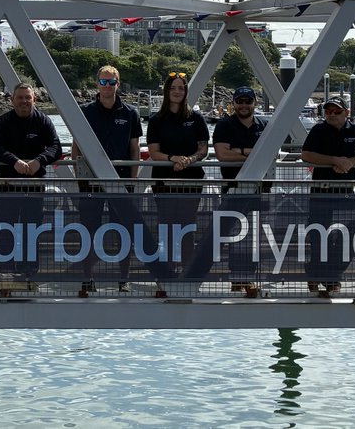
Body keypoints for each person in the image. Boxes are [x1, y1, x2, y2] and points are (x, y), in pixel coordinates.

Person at [72, 66, 141, 292]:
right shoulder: (84, 111)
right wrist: (79, 178)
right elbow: (76, 147)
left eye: (112, 83)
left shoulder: (131, 113)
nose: (107, 86)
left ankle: (124, 279)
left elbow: (135, 150)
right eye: (103, 82)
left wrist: (132, 182)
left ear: (118, 84)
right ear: (97, 84)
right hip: (91, 182)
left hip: (121, 182)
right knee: (88, 230)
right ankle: (87, 278)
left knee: (123, 231)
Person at [300, 96, 355, 293]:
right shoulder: (318, 129)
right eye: (328, 112)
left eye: (336, 111)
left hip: (346, 193)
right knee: (319, 236)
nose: (332, 115)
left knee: (351, 235)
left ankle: (327, 274)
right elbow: (306, 154)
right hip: (321, 192)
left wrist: (349, 162)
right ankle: (320, 276)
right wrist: (334, 160)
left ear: (346, 113)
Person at [0, 83, 63, 278]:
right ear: (12, 100)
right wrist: (14, 162)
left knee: (32, 228)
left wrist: (40, 161)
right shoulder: (3, 121)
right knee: (5, 226)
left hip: (34, 185)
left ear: (34, 100)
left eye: (28, 98)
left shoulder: (43, 121)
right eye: (20, 98)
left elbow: (56, 147)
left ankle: (29, 270)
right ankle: (5, 269)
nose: (24, 102)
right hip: (7, 184)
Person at [145, 72, 209, 278]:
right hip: (164, 180)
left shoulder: (196, 118)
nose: (177, 91)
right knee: (167, 227)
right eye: (173, 88)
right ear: (166, 91)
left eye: (181, 88)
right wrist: (173, 158)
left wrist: (189, 160)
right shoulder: (156, 120)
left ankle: (188, 271)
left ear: (186, 92)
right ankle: (168, 270)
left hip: (191, 181)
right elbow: (154, 152)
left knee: (188, 227)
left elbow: (203, 149)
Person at [212, 86, 269, 290]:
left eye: (248, 101)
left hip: (258, 190)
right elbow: (222, 155)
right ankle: (236, 278)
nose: (244, 105)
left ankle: (248, 277)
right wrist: (253, 155)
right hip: (232, 189)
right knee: (232, 235)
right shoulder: (224, 125)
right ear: (234, 103)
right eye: (240, 101)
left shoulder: (265, 124)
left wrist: (238, 151)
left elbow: (271, 154)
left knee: (253, 236)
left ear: (254, 103)